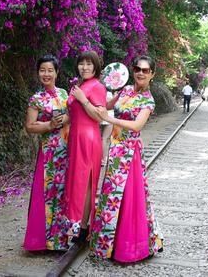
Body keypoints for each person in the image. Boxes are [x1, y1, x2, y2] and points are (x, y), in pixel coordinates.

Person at [90, 56, 163, 262]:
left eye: (145, 70)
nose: (140, 72)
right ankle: (107, 245)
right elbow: (106, 104)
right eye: (137, 68)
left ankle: (129, 246)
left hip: (130, 153)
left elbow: (136, 126)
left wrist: (109, 118)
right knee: (111, 196)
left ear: (152, 75)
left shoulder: (148, 100)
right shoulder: (126, 90)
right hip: (115, 151)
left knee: (129, 198)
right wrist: (98, 93)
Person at [23, 54, 70, 251]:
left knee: (64, 193)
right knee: (48, 193)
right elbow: (30, 127)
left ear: (57, 72)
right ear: (38, 73)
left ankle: (62, 239)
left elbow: (71, 116)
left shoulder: (64, 94)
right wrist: (49, 124)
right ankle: (43, 241)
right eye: (43, 70)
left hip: (66, 150)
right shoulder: (36, 99)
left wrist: (66, 119)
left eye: (50, 70)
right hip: (49, 153)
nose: (46, 74)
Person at [62, 50, 107, 242]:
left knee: (87, 181)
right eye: (82, 63)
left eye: (89, 64)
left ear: (96, 66)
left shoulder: (97, 86)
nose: (85, 67)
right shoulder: (79, 85)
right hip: (75, 136)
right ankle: (76, 224)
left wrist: (83, 99)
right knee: (76, 180)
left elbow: (99, 116)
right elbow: (73, 114)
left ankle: (83, 227)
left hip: (88, 137)